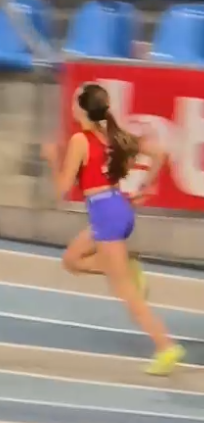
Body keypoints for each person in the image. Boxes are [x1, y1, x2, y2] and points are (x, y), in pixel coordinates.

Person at [41, 82, 184, 376]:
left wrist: (53, 159)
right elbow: (158, 152)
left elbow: (62, 188)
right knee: (72, 260)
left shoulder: (81, 140)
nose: (71, 106)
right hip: (116, 209)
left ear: (82, 109)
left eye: (75, 101)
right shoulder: (111, 135)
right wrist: (148, 184)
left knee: (127, 293)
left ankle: (166, 346)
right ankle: (127, 266)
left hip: (107, 215)